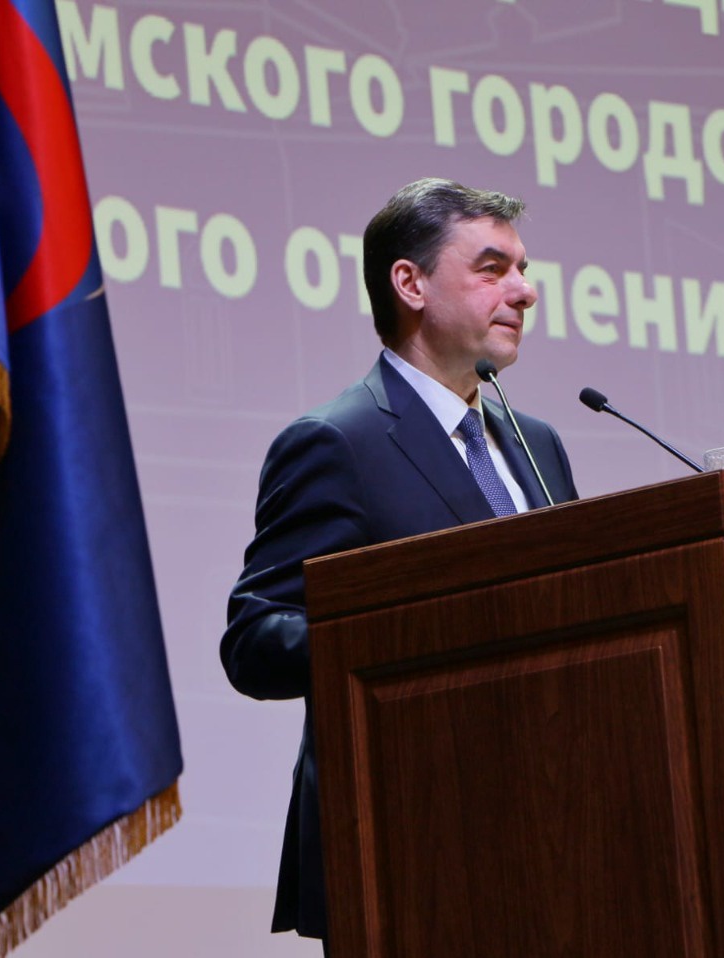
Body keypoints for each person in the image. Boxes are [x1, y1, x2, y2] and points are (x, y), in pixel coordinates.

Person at [221, 178, 580, 943]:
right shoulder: (338, 442)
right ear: (410, 284)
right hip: (409, 850)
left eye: (522, 269)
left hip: (555, 835)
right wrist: (405, 638)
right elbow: (254, 639)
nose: (525, 290)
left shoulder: (538, 444)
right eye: (493, 268)